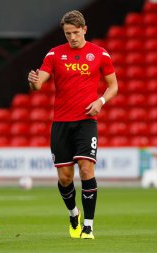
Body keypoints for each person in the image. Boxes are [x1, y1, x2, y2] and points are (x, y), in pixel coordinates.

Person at [27, 10, 118, 239]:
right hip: (61, 124)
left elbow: (113, 86)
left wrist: (101, 101)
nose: (72, 38)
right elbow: (40, 84)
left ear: (84, 29)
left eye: (75, 33)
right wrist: (34, 82)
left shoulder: (100, 54)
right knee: (65, 178)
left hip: (87, 122)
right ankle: (73, 213)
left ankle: (88, 227)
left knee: (87, 169)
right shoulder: (55, 54)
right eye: (67, 33)